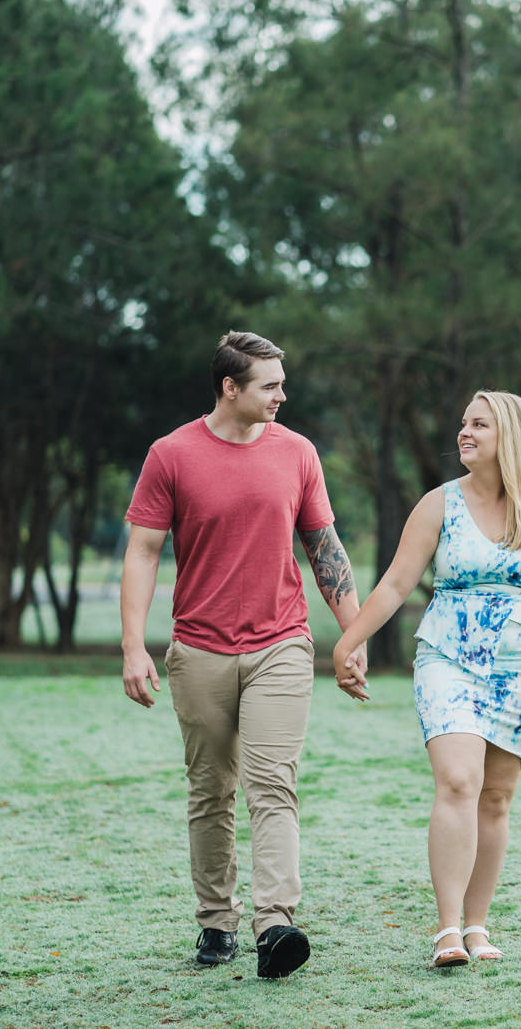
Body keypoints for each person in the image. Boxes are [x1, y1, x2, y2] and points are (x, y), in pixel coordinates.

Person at [121, 330, 367, 980]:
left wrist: (353, 632)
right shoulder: (171, 454)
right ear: (230, 387)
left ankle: (275, 923)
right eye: (270, 384)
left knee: (272, 783)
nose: (283, 394)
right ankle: (214, 921)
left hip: (281, 644)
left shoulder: (297, 453)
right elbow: (143, 551)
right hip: (198, 647)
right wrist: (132, 645)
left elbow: (324, 545)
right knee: (211, 790)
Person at [331, 390, 521, 968]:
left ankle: (477, 926)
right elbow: (397, 583)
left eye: (479, 424)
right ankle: (447, 930)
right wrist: (351, 639)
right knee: (457, 780)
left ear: (512, 438)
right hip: (447, 657)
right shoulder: (438, 504)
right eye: (462, 423)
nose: (463, 433)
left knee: (495, 797)